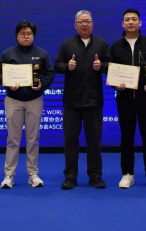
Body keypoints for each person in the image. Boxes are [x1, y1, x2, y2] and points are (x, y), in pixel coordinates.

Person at [0, 20, 55, 189]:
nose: (26, 36)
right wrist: (7, 83)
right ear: (17, 36)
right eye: (22, 34)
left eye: (29, 34)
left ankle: (33, 174)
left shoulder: (41, 53)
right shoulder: (8, 53)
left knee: (33, 139)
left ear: (33, 36)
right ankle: (9, 175)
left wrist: (42, 85)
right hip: (13, 100)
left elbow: (50, 73)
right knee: (13, 139)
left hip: (34, 100)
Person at [55, 10, 112, 189]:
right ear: (75, 25)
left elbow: (112, 66)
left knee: (94, 141)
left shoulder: (101, 44)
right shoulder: (67, 44)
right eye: (81, 22)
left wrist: (101, 66)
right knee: (70, 141)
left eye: (88, 21)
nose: (85, 24)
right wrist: (67, 66)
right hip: (71, 101)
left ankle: (95, 176)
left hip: (94, 101)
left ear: (92, 24)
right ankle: (70, 176)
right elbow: (57, 65)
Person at [109, 8, 146, 189]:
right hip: (124, 99)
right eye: (127, 19)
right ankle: (127, 174)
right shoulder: (116, 47)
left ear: (140, 23)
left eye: (134, 19)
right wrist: (115, 85)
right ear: (122, 24)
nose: (130, 22)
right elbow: (111, 72)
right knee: (126, 137)